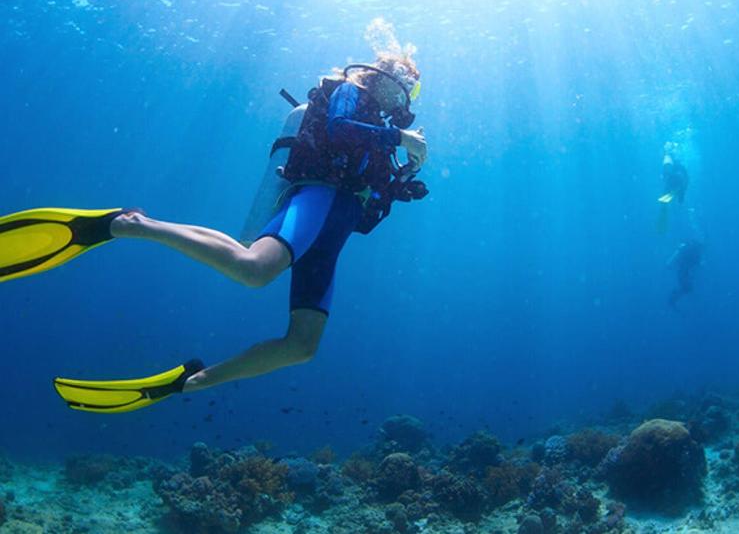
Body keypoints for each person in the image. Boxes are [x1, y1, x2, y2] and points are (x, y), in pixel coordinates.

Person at [0, 52, 428, 413]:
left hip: (334, 230)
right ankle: (129, 225)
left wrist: (402, 182)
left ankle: (193, 381)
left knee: (302, 345)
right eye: (407, 82)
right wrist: (400, 138)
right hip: (316, 199)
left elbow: (367, 209)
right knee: (253, 270)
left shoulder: (382, 131)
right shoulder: (352, 91)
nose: (407, 95)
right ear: (387, 74)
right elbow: (339, 130)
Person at [667, 239, 703, 309]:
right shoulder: (695, 252)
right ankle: (672, 299)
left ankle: (673, 298)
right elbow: (697, 263)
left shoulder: (690, 250)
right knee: (687, 288)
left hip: (683, 271)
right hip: (684, 271)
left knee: (687, 288)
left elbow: (695, 263)